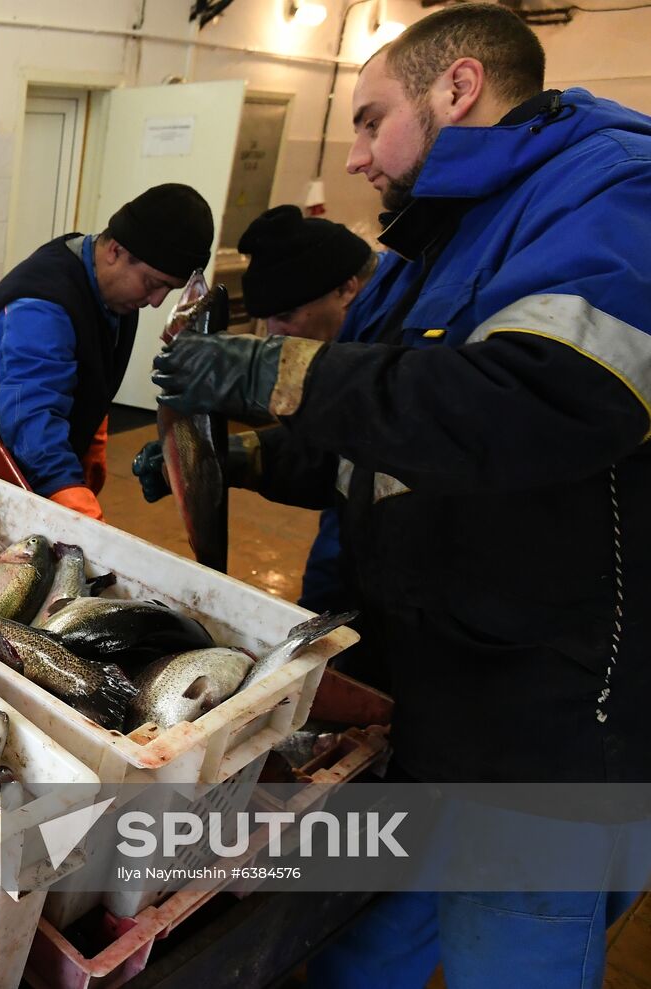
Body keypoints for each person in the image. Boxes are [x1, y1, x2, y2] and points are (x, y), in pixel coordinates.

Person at [149, 4, 651, 985]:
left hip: (539, 719)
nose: (352, 158)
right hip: (423, 683)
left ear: (455, 88)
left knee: (510, 952)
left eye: (369, 119)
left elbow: (531, 404)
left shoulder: (613, 189)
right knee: (348, 950)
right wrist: (244, 458)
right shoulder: (434, 238)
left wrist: (273, 373)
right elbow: (382, 436)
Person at [133, 205, 376, 613]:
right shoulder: (344, 333)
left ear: (347, 288)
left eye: (286, 316)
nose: (276, 335)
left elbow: (379, 444)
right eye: (267, 321)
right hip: (344, 558)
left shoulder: (396, 343)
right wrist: (232, 459)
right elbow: (337, 457)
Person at [0, 184, 215, 520]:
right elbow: (30, 417)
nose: (157, 301)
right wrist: (66, 489)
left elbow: (90, 366)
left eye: (167, 290)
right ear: (115, 251)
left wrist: (94, 434)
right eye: (153, 283)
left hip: (23, 480)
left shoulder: (110, 289)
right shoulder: (43, 305)